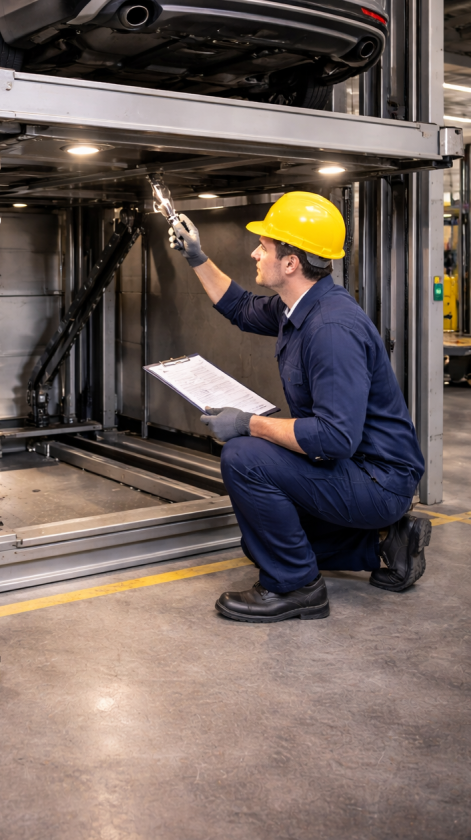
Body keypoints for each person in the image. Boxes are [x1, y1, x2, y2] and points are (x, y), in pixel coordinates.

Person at [168, 191, 430, 624]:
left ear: (291, 262)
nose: (254, 252)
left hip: (378, 479)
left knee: (244, 456)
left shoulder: (330, 328)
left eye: (265, 246)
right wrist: (197, 256)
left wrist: (249, 424)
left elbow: (334, 438)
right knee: (260, 543)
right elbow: (239, 307)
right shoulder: (300, 306)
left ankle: (295, 588)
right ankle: (386, 543)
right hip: (354, 470)